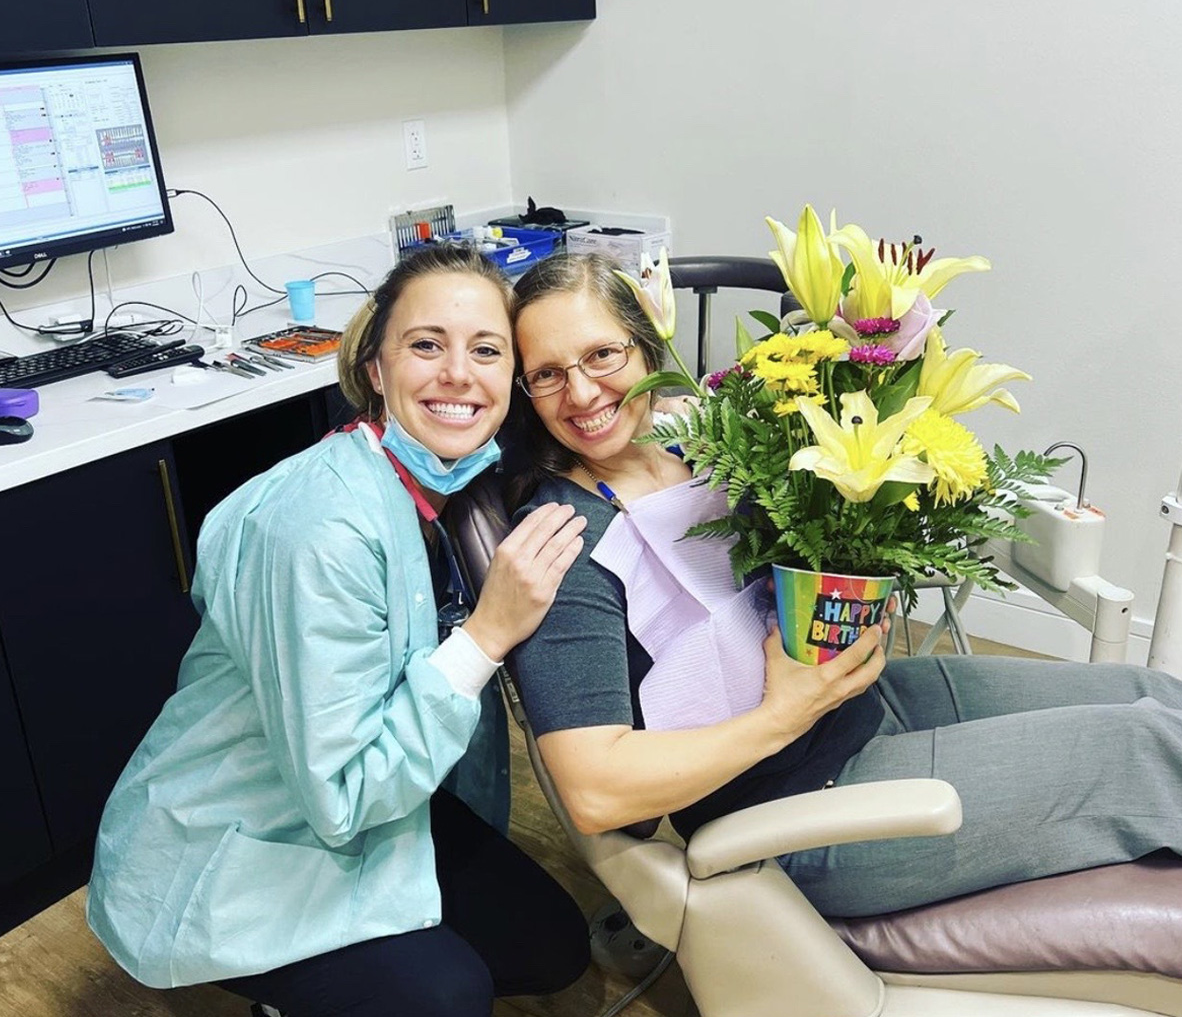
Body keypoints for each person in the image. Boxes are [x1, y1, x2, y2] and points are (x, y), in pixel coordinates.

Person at [505, 250, 1182, 919]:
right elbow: (594, 792)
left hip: (861, 703)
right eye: (547, 375)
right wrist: (783, 716)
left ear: (647, 348)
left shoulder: (699, 449)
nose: (584, 393)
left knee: (1152, 695)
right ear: (525, 394)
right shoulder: (566, 539)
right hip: (799, 805)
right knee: (1148, 750)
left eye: (602, 356)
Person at [87, 246, 591, 1016]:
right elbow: (344, 798)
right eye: (426, 345)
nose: (459, 374)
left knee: (553, 946)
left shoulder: (442, 481)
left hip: (370, 796)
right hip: (240, 839)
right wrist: (486, 637)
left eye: (486, 351)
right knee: (446, 996)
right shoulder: (319, 529)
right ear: (375, 369)